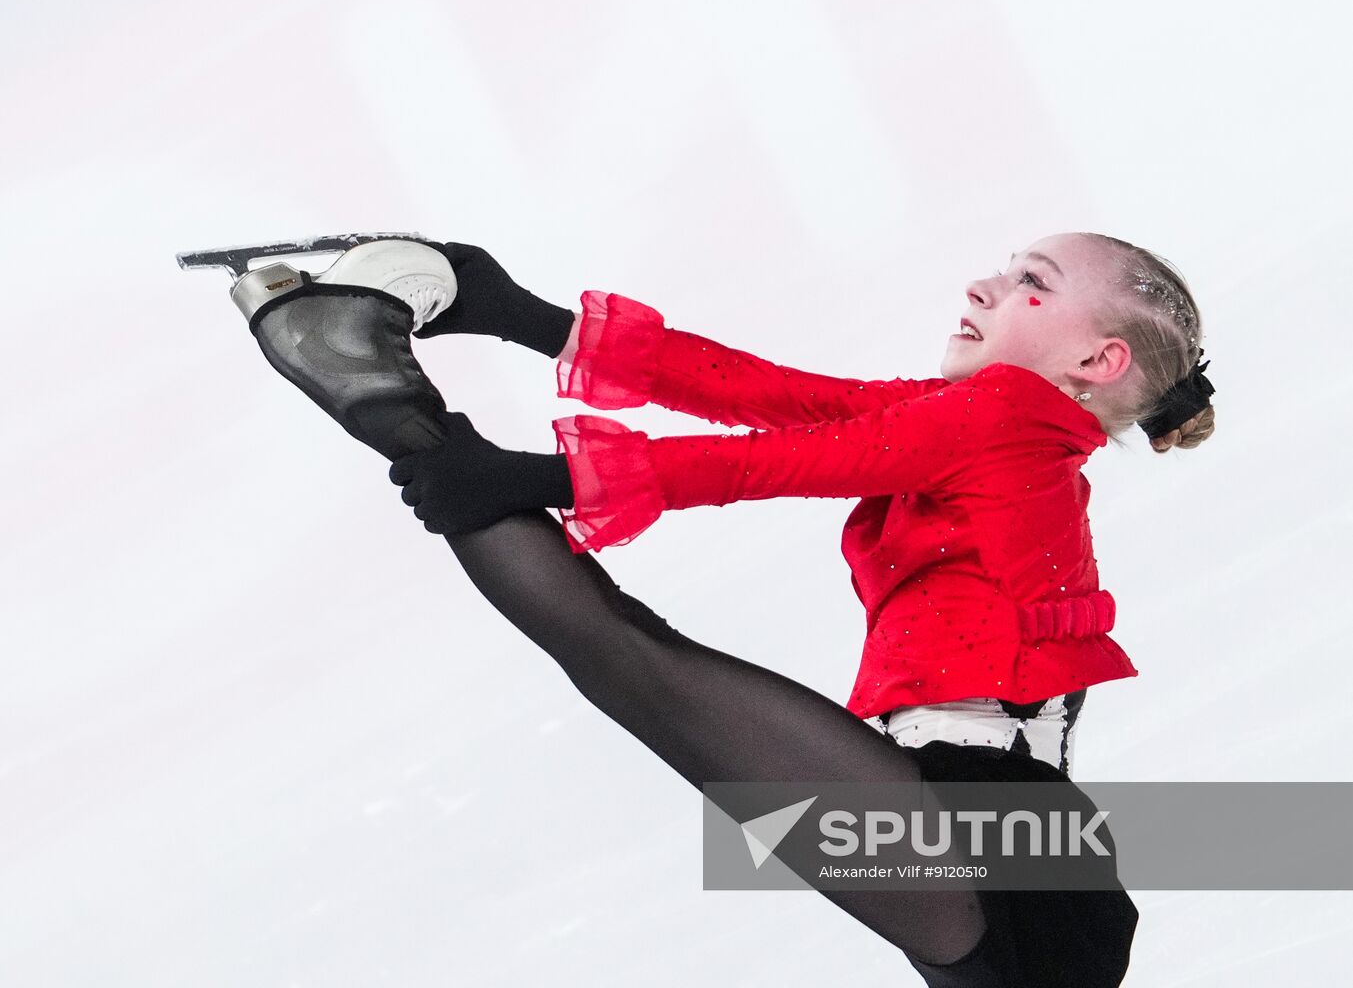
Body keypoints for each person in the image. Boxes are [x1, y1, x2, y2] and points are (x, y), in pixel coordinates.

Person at [239, 231, 1216, 986]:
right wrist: (530, 319)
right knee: (629, 661)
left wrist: (539, 473)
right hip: (996, 836)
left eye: (1030, 284)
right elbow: (784, 403)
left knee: (632, 661)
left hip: (999, 830)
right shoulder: (989, 421)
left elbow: (793, 459)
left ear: (1099, 360)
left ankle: (377, 392)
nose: (982, 288)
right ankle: (376, 390)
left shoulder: (1001, 420)